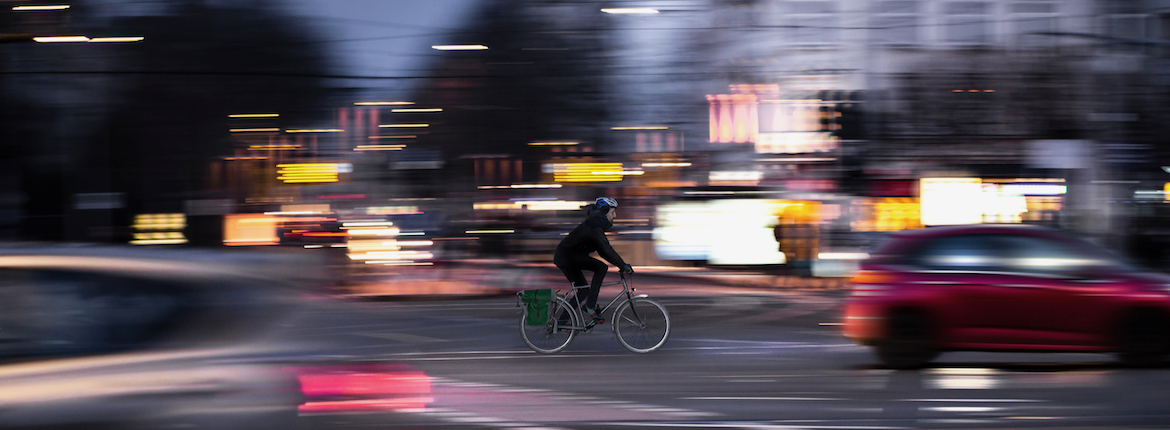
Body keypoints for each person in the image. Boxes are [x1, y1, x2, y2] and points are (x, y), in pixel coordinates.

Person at [554, 196, 633, 324]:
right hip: (567, 257)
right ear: (604, 211)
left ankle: (562, 322)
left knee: (584, 290)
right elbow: (606, 248)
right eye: (613, 212)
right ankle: (590, 306)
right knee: (601, 267)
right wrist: (623, 265)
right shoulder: (594, 225)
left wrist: (621, 265)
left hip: (566, 256)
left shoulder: (595, 226)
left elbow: (603, 251)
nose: (615, 215)